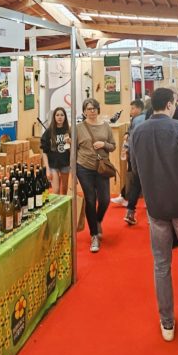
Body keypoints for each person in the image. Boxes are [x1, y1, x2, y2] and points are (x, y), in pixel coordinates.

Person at [131, 87, 178, 346]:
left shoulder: (138, 131)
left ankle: (167, 322)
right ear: (169, 104)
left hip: (155, 206)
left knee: (161, 264)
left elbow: (135, 167)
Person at [76, 98, 116, 253]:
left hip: (102, 168)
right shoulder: (79, 128)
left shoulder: (106, 126)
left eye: (94, 108)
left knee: (105, 199)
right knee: (90, 199)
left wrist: (103, 144)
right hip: (84, 167)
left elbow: (113, 146)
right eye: (88, 109)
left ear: (98, 110)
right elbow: (74, 149)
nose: (91, 111)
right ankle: (94, 234)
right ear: (84, 111)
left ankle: (97, 220)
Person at [123, 99, 147, 226]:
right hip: (145, 157)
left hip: (137, 157)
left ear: (139, 108)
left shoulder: (138, 120)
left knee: (136, 185)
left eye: (133, 108)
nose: (131, 111)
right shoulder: (141, 119)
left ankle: (130, 212)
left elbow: (133, 141)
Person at [40, 107, 72, 195]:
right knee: (56, 190)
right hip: (53, 164)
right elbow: (44, 152)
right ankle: (57, 204)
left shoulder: (69, 130)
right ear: (54, 117)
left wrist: (71, 143)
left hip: (65, 163)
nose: (60, 117)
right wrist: (47, 168)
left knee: (64, 189)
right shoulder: (49, 132)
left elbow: (73, 150)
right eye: (57, 115)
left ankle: (64, 204)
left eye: (62, 115)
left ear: (65, 117)